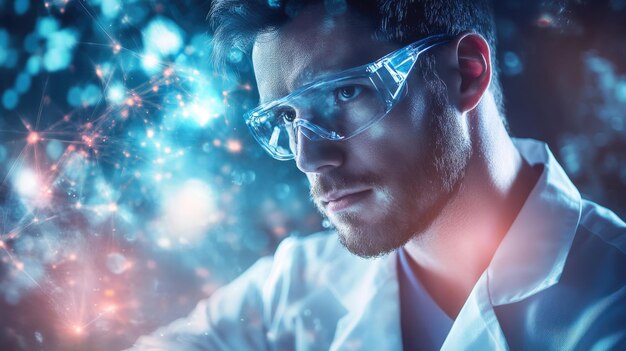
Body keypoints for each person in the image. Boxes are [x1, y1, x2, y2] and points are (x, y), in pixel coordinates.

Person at [128, 0, 626, 350]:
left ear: (467, 72)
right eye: (285, 118)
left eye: (343, 94)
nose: (308, 157)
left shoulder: (612, 309)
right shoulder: (293, 287)